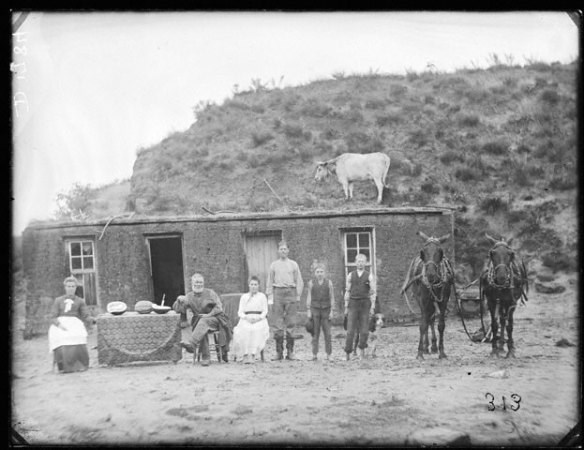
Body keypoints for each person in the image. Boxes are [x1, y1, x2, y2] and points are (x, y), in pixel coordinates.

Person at [173, 273, 231, 366]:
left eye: (200, 282)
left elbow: (219, 307)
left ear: (203, 283)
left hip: (215, 319)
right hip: (200, 321)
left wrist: (208, 315)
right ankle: (206, 358)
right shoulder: (189, 296)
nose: (198, 284)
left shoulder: (210, 293)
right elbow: (178, 309)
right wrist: (178, 300)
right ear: (192, 283)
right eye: (196, 282)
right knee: (201, 325)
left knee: (203, 322)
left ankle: (192, 344)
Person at [266, 240, 304, 361]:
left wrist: (297, 296)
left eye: (285, 249)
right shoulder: (274, 265)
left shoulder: (293, 264)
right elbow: (269, 281)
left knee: (291, 323)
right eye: (281, 249)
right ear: (278, 251)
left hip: (291, 292)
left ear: (288, 251)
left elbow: (299, 281)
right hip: (278, 292)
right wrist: (270, 297)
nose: (283, 251)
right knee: (277, 324)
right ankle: (278, 352)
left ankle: (290, 352)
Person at [48, 276, 92, 373]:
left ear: (76, 287)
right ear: (65, 287)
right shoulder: (58, 300)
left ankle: (80, 365)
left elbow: (85, 315)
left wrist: (92, 320)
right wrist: (59, 325)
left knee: (79, 334)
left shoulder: (80, 301)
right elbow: (52, 316)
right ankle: (63, 366)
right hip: (61, 323)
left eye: (73, 286)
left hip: (75, 323)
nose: (71, 288)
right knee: (62, 336)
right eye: (68, 286)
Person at [344, 254, 376, 361]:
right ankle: (348, 353)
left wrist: (372, 307)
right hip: (353, 303)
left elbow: (372, 292)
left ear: (365, 263)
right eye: (358, 261)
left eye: (362, 261)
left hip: (365, 304)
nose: (360, 263)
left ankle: (362, 352)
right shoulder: (350, 275)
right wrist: (346, 306)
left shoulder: (369, 276)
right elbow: (347, 291)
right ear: (355, 262)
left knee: (364, 330)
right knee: (350, 330)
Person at [232, 276, 270, 364]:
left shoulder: (262, 296)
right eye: (252, 284)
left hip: (259, 319)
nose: (253, 286)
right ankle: (245, 354)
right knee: (244, 330)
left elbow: (265, 311)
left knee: (256, 330)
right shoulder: (244, 297)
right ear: (249, 285)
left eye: (255, 284)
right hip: (246, 318)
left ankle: (252, 354)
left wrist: (258, 318)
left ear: (258, 286)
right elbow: (240, 312)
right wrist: (246, 317)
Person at [306, 263, 335, 361]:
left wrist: (332, 311)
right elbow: (309, 296)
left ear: (325, 273)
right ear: (315, 273)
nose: (319, 274)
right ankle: (314, 354)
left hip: (326, 310)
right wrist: (308, 310)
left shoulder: (329, 283)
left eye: (321, 272)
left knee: (328, 333)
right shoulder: (311, 283)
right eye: (317, 272)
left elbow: (332, 297)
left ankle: (329, 354)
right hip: (315, 310)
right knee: (315, 333)